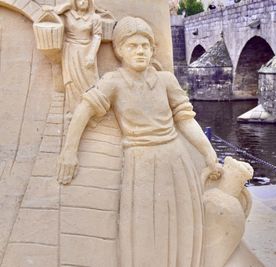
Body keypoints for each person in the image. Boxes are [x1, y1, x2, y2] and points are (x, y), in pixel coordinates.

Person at [57, 16, 220, 266]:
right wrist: (69, 152)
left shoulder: (166, 80)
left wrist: (209, 154)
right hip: (140, 160)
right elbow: (83, 110)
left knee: (180, 217)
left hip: (176, 159)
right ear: (120, 50)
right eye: (133, 46)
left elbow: (186, 120)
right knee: (145, 224)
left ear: (153, 49)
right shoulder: (114, 81)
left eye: (145, 46)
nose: (140, 51)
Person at [44, 0, 103, 113]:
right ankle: (73, 111)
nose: (82, 2)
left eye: (85, 0)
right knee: (71, 83)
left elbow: (97, 36)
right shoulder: (68, 15)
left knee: (90, 82)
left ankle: (89, 112)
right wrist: (67, 5)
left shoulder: (95, 18)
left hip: (86, 52)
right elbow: (54, 13)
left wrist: (91, 54)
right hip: (70, 51)